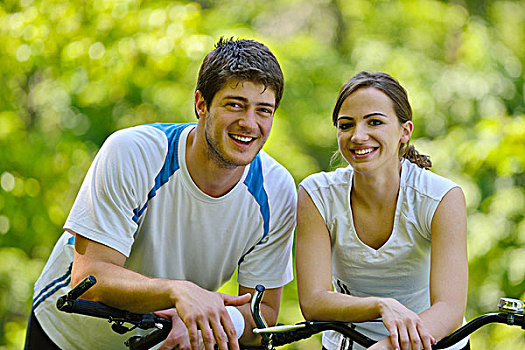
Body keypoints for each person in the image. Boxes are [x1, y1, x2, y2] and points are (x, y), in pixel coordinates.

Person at [26, 37, 296, 350]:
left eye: (264, 110)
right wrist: (179, 292)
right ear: (201, 104)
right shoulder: (134, 152)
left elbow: (261, 315)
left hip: (164, 342)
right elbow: (90, 278)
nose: (249, 122)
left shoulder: (276, 191)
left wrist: (205, 319)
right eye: (234, 104)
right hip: (68, 335)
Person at [296, 71, 468, 350]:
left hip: (430, 342)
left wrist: (387, 347)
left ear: (405, 131)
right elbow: (314, 301)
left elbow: (449, 309)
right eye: (346, 125)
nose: (358, 136)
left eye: (374, 122)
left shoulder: (441, 197)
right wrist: (381, 306)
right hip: (347, 344)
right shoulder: (317, 194)